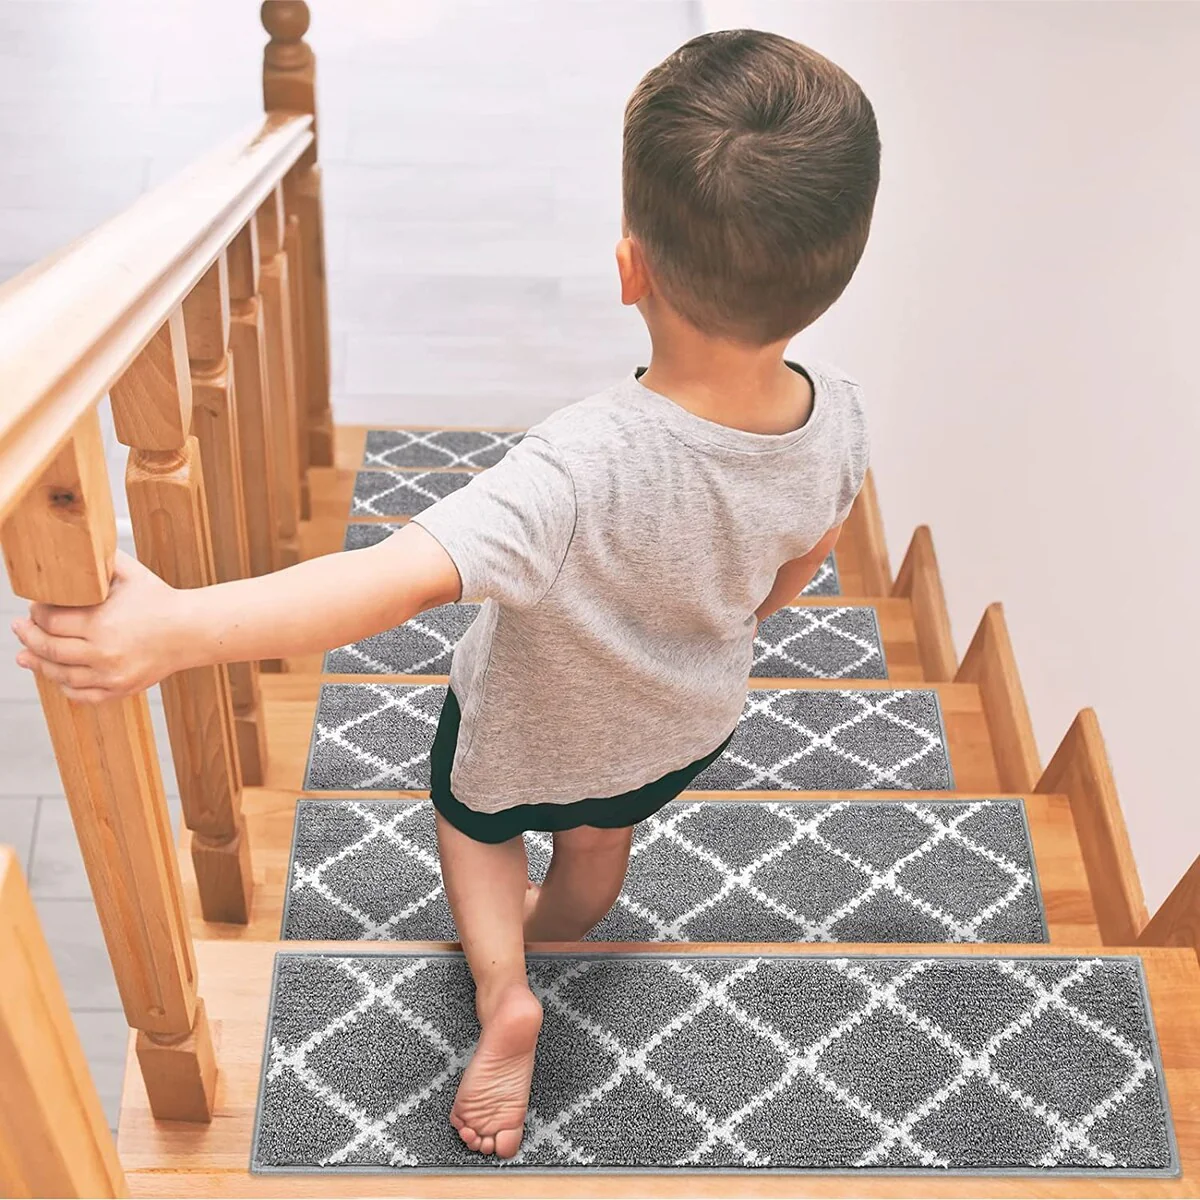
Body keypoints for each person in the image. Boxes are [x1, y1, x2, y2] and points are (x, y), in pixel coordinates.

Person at [13, 29, 879, 1160]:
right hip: (681, 721)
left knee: (475, 828)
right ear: (832, 279)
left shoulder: (575, 468)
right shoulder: (841, 416)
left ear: (630, 269)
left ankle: (505, 986)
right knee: (599, 840)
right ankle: (559, 925)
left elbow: (383, 582)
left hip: (526, 731)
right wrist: (738, 621)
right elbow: (806, 556)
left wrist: (173, 630)